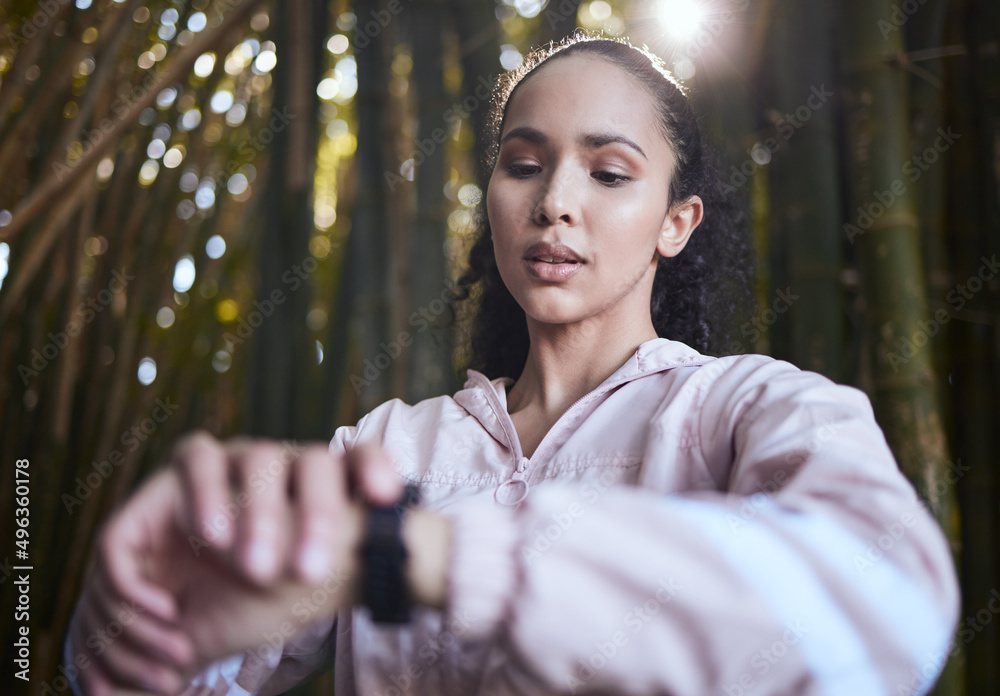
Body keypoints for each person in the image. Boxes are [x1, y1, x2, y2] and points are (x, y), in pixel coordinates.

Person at [65, 34, 959, 696]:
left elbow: (891, 605)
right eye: (524, 164)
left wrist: (428, 553)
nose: (555, 203)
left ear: (676, 223)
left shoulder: (749, 409)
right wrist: (144, 605)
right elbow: (152, 673)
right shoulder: (389, 448)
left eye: (609, 174)